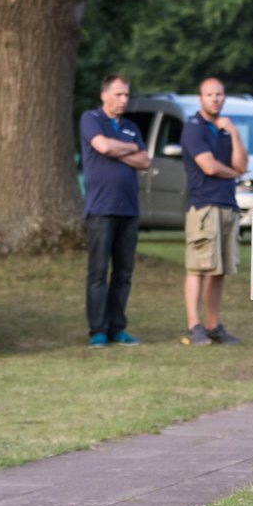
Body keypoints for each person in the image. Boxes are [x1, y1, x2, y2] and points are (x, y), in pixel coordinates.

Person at [80, 74, 150, 349]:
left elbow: (144, 160)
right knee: (98, 272)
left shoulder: (131, 127)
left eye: (126, 95)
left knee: (123, 274)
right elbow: (102, 145)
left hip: (129, 210)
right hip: (100, 209)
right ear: (104, 95)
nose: (123, 100)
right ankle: (98, 330)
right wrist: (128, 148)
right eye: (118, 94)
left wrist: (123, 149)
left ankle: (118, 328)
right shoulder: (91, 119)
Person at [180, 77, 248, 346]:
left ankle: (212, 325)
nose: (215, 99)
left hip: (227, 204)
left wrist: (233, 132)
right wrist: (232, 173)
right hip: (203, 206)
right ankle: (193, 326)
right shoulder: (193, 128)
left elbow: (242, 164)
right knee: (198, 267)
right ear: (200, 99)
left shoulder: (223, 128)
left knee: (219, 269)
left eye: (219, 94)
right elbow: (209, 166)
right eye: (209, 95)